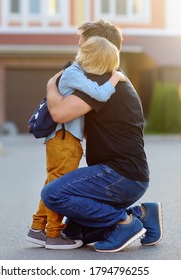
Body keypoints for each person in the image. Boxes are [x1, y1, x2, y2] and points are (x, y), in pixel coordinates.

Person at [39, 19, 163, 253]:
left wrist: (50, 85)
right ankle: (143, 214)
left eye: (83, 41)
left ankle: (123, 222)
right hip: (125, 177)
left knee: (53, 194)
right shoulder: (110, 77)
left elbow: (59, 113)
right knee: (75, 232)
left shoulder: (101, 80)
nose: (79, 45)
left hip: (119, 176)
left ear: (97, 45)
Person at [26, 36, 126, 250]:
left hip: (63, 139)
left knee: (53, 182)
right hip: (64, 140)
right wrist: (116, 78)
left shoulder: (73, 73)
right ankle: (52, 233)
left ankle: (37, 228)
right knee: (57, 187)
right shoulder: (73, 73)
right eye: (106, 65)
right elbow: (100, 94)